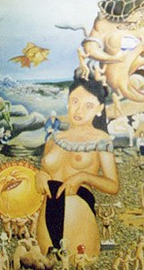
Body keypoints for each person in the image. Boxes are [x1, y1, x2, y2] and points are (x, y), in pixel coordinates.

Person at [35, 76, 119, 259]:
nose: (79, 110)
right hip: (47, 212)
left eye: (88, 105)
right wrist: (40, 175)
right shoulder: (54, 139)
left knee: (78, 267)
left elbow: (113, 186)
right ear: (68, 101)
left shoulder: (101, 140)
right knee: (46, 269)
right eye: (75, 101)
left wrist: (83, 176)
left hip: (78, 214)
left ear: (99, 109)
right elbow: (45, 171)